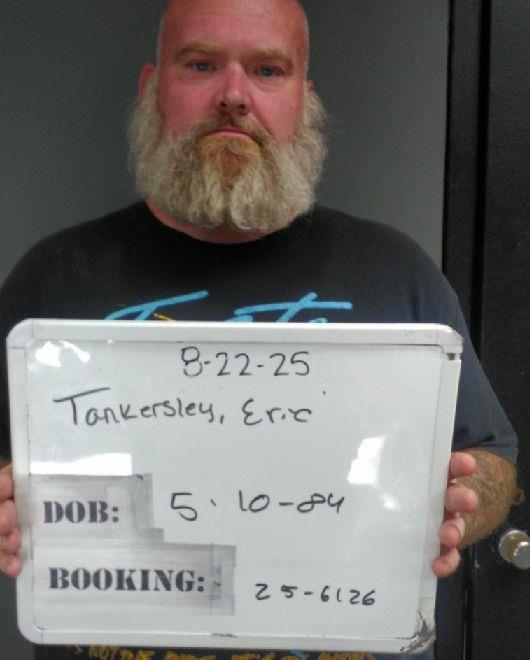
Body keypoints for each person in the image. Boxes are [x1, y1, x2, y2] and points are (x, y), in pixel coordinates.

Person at [0, 1, 518, 659]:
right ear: (153, 87)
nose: (233, 95)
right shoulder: (53, 277)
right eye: (201, 65)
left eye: (268, 70)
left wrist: (459, 503)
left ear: (304, 98)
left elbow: (492, 454)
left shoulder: (398, 272)